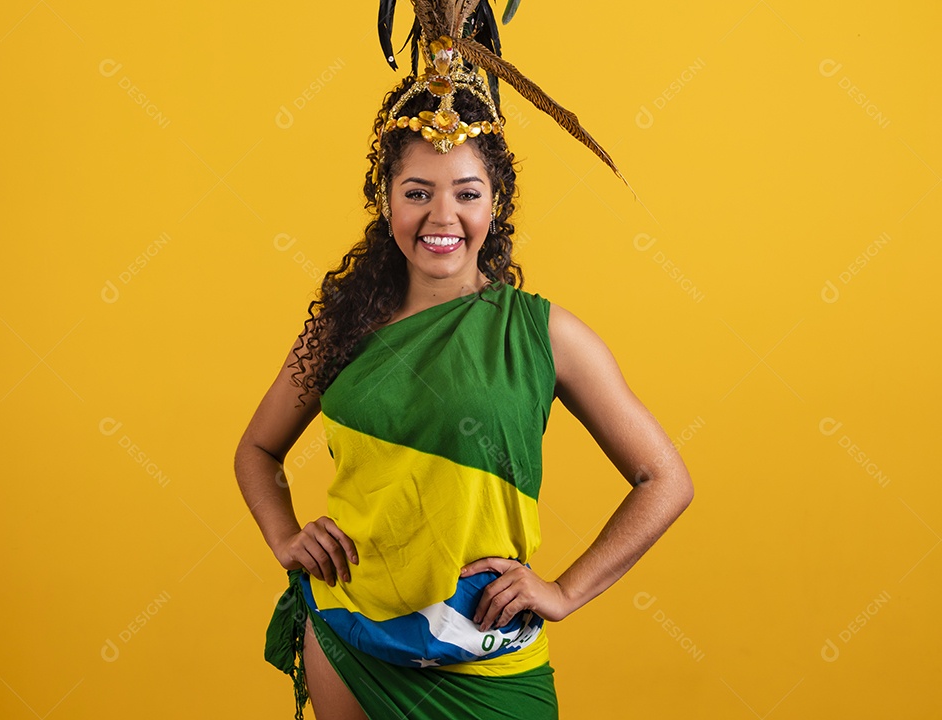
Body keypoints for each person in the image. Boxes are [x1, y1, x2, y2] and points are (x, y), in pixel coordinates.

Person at [234, 6, 693, 718]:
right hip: (352, 638)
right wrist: (287, 536)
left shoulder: (544, 334)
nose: (441, 216)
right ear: (385, 200)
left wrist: (564, 591)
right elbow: (258, 450)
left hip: (487, 653)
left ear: (497, 203)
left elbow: (664, 479)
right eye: (417, 192)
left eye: (466, 193)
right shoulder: (341, 326)